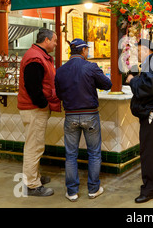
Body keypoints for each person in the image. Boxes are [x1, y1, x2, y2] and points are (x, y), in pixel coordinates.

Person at [55, 38, 112, 202]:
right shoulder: (91, 67)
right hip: (90, 115)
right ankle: (93, 189)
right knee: (94, 153)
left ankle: (72, 192)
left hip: (70, 116)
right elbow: (107, 84)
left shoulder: (61, 70)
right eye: (87, 49)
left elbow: (59, 94)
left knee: (71, 155)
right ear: (83, 50)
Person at [17, 28, 61, 196]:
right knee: (34, 147)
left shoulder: (38, 55)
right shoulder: (35, 58)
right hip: (34, 109)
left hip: (35, 108)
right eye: (55, 40)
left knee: (35, 145)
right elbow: (33, 87)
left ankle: (34, 177)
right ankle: (31, 185)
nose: (56, 44)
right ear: (47, 41)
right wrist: (43, 104)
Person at [126, 39, 153, 203]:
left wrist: (132, 80)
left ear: (146, 50)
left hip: (152, 112)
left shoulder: (152, 65)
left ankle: (150, 189)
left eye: (138, 50)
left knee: (149, 151)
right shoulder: (152, 64)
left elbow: (147, 89)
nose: (137, 54)